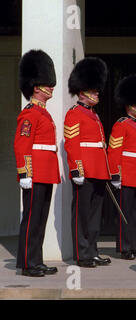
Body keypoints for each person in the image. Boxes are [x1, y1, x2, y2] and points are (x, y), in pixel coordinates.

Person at [14, 49, 60, 277]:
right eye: (46, 84)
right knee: (31, 219)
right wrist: (25, 174)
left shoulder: (44, 114)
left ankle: (36, 260)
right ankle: (27, 263)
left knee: (40, 220)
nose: (51, 87)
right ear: (35, 86)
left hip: (46, 172)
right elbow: (21, 145)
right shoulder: (30, 114)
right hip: (35, 173)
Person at [64, 57, 111, 268]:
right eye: (94, 90)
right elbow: (72, 144)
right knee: (82, 215)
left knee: (94, 216)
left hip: (99, 170)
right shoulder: (74, 114)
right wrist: (77, 169)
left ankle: (92, 250)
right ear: (83, 92)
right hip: (85, 170)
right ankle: (82, 254)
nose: (97, 94)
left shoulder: (93, 115)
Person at [108, 75, 136, 260]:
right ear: (128, 105)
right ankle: (124, 247)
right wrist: (115, 175)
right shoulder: (121, 125)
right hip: (126, 174)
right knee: (124, 213)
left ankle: (135, 245)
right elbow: (114, 151)